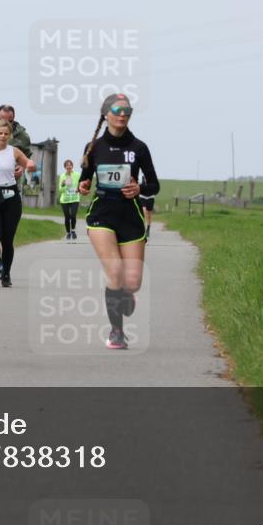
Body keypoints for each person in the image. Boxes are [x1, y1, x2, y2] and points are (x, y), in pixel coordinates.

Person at [78, 93, 159, 350]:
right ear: (106, 114)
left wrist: (139, 188)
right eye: (117, 110)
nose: (123, 114)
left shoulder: (139, 148)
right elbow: (84, 179)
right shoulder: (94, 147)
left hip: (130, 215)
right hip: (102, 213)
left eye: (127, 111)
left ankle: (125, 294)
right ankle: (116, 332)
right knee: (114, 271)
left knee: (132, 282)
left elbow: (154, 185)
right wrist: (83, 185)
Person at [0, 119, 35, 287]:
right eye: (0, 133)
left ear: (10, 135)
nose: (3, 136)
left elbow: (28, 164)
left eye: (6, 133)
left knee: (7, 239)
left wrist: (30, 166)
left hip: (11, 198)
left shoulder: (14, 152)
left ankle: (6, 274)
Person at [58, 159, 82, 241]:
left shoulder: (77, 175)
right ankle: (68, 232)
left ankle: (73, 230)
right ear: (65, 167)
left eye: (70, 165)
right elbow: (60, 190)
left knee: (73, 215)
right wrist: (63, 184)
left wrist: (79, 189)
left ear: (72, 166)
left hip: (75, 198)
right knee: (67, 217)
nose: (69, 166)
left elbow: (81, 184)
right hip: (65, 199)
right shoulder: (62, 176)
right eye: (67, 165)